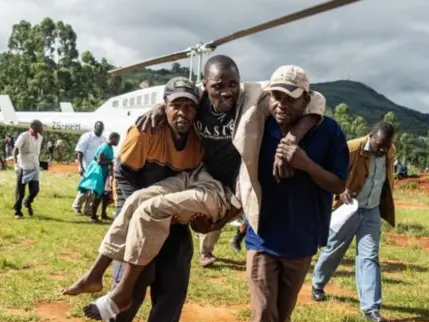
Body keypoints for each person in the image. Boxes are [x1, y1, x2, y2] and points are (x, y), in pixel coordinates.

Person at [62, 77, 242, 322]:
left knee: (169, 266)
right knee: (137, 203)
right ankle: (97, 280)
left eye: (190, 106)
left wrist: (215, 224)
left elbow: (248, 196)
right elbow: (124, 174)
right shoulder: (153, 128)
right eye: (175, 105)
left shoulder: (245, 115)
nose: (224, 94)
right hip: (193, 179)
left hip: (220, 193)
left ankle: (123, 297)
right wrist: (162, 107)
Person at [136, 55, 327, 268]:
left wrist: (291, 140)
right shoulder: (198, 101)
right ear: (205, 84)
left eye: (233, 84)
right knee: (148, 203)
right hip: (205, 176)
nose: (227, 91)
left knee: (220, 210)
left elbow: (316, 97)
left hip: (236, 179)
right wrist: (160, 108)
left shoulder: (250, 97)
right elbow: (177, 102)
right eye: (218, 86)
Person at [240, 65, 349, 322]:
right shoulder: (260, 125)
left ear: (307, 100)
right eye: (275, 96)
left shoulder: (329, 131)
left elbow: (339, 183)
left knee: (278, 319)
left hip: (301, 241)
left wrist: (305, 164)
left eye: (290, 98)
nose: (280, 104)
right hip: (262, 238)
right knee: (263, 318)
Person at [311, 121, 396, 322]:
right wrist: (340, 190)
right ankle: (317, 284)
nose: (382, 149)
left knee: (369, 256)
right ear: (371, 136)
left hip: (372, 210)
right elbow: (328, 171)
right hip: (349, 209)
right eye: (379, 145)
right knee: (334, 249)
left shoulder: (389, 150)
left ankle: (371, 309)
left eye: (387, 145)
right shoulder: (351, 148)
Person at [76, 132, 121, 223]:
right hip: (98, 171)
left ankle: (102, 214)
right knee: (97, 194)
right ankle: (93, 217)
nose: (118, 142)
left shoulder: (109, 147)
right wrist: (111, 162)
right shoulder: (105, 147)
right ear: (112, 138)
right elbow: (99, 161)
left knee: (103, 194)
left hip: (103, 172)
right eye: (117, 140)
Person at [72, 121, 106, 216]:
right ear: (95, 127)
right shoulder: (87, 136)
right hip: (87, 166)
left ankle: (88, 210)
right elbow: (80, 152)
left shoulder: (103, 139)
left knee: (94, 189)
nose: (99, 131)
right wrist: (80, 167)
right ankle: (76, 207)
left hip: (97, 167)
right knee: (85, 188)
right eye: (98, 128)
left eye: (101, 129)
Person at [13, 120, 44, 219]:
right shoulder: (23, 136)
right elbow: (15, 149)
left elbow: (37, 152)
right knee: (20, 190)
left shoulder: (40, 137)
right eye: (40, 127)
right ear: (34, 127)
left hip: (34, 165)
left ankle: (28, 201)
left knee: (35, 189)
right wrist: (15, 164)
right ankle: (17, 211)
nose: (42, 129)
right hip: (23, 165)